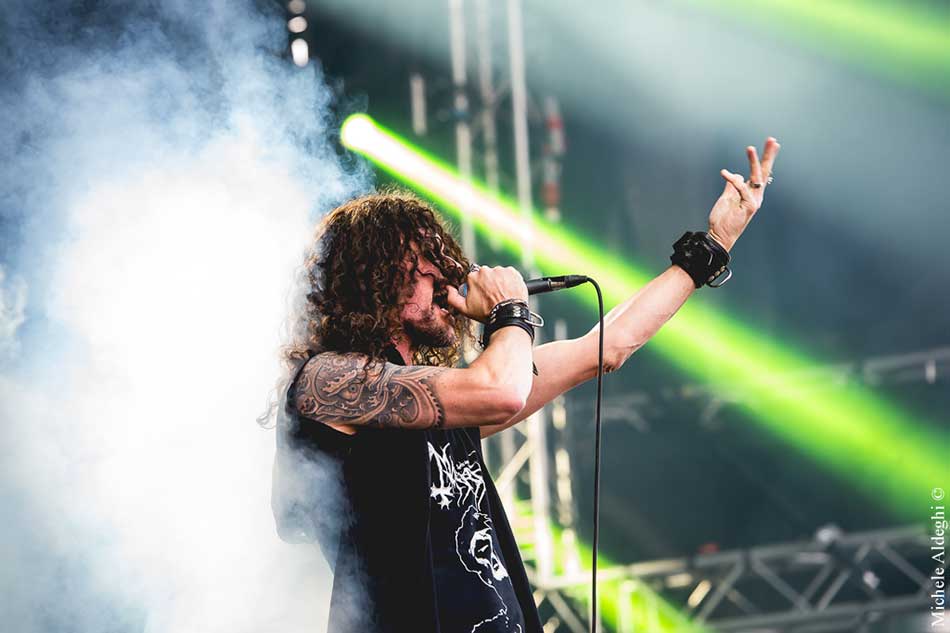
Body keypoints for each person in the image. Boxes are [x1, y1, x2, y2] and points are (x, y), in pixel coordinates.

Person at [266, 138, 781, 633]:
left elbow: (606, 347)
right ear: (373, 276)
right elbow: (501, 391)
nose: (446, 275)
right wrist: (509, 311)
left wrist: (713, 245)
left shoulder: (451, 402)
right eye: (424, 262)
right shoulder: (327, 380)